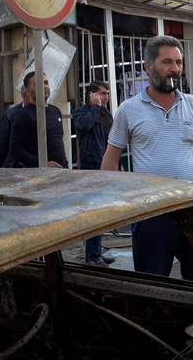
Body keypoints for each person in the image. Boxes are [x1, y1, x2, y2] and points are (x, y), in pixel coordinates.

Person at [101, 35, 193, 285]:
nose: (174, 69)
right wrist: (110, 209)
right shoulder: (128, 110)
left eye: (178, 62)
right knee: (153, 284)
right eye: (167, 62)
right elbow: (111, 160)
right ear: (148, 66)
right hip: (152, 213)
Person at [73, 81, 116, 267]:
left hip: (105, 167)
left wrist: (118, 164)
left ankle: (97, 252)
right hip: (90, 167)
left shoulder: (106, 114)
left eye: (107, 94)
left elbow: (113, 141)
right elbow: (85, 126)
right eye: (102, 94)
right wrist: (95, 108)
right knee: (93, 213)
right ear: (91, 95)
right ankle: (92, 256)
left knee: (103, 212)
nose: (106, 97)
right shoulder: (81, 113)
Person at [8, 72, 68, 169]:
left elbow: (58, 142)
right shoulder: (23, 116)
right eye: (38, 84)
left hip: (61, 172)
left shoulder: (55, 111)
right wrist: (43, 164)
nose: (44, 86)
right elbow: (16, 150)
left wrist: (65, 165)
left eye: (46, 82)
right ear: (27, 91)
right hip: (38, 175)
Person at [0, 84, 30, 168]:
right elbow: (0, 147)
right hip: (15, 168)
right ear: (25, 94)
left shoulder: (46, 114)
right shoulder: (10, 116)